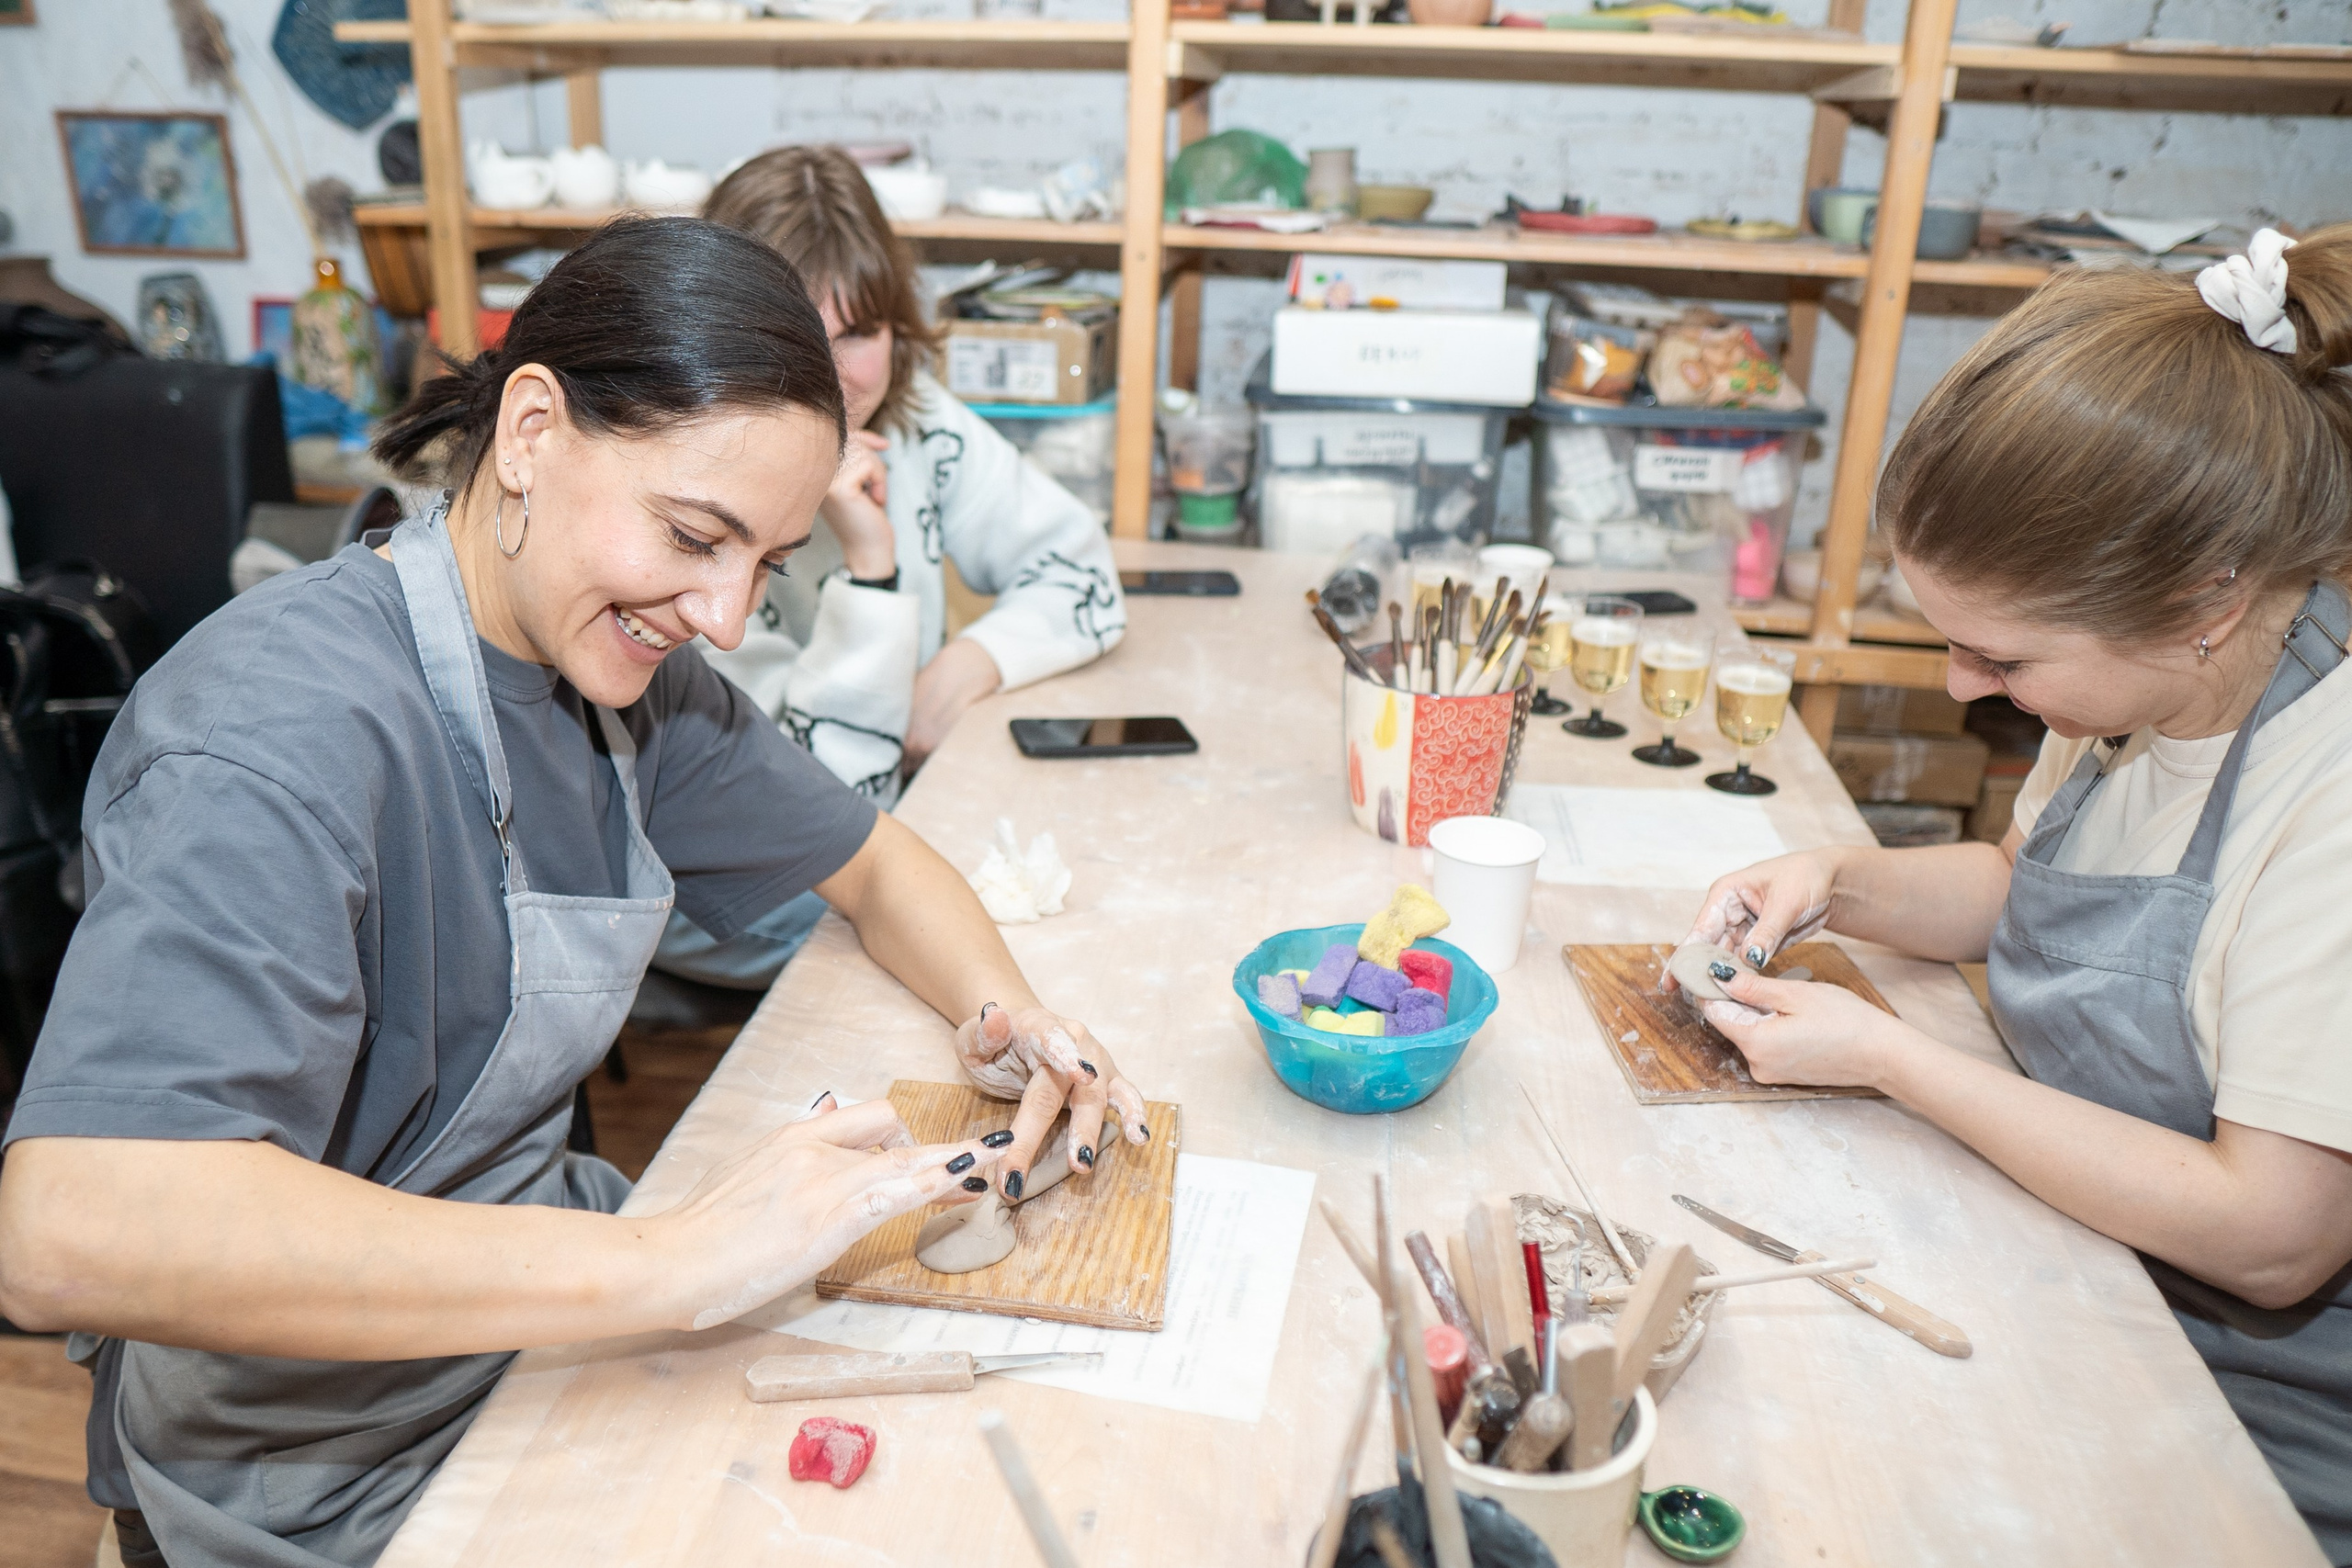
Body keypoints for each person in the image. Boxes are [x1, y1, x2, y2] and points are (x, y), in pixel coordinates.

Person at [0, 217, 1147, 1568]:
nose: (725, 615)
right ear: (532, 431)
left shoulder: (625, 686)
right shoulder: (272, 731)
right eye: (694, 532)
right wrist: (675, 1262)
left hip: (533, 1326)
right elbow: (71, 1223)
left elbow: (880, 863)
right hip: (306, 1459)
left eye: (766, 563)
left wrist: (1006, 1015)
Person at [1676, 226, 2352, 1561]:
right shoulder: (2151, 684)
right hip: (2065, 1261)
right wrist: (1840, 883)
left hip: (2240, 1420)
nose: (1957, 688)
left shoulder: (2325, 792)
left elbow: (2275, 1232)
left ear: (2197, 599)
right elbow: (2025, 883)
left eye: (2002, 655)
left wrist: (1891, 1057)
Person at [650, 144, 1127, 989]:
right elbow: (828, 807)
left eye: (861, 333)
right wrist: (871, 565)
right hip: (715, 880)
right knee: (976, 934)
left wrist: (961, 669)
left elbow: (1084, 578)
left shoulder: (915, 423)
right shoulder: (683, 497)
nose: (835, 375)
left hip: (856, 827)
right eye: (796, 336)